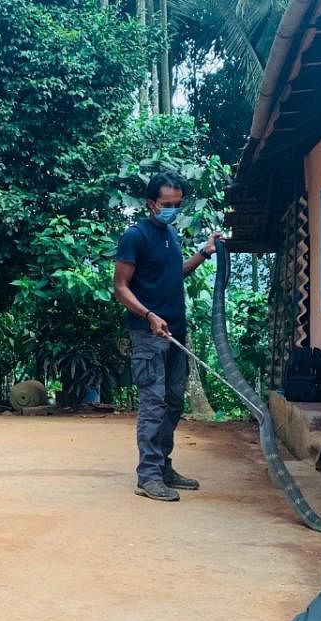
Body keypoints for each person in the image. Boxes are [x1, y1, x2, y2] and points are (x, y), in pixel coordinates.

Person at [113, 172, 220, 502]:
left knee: (174, 401)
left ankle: (163, 467)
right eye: (166, 204)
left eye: (177, 204)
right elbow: (120, 288)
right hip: (148, 335)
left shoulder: (171, 234)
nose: (172, 209)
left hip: (176, 333)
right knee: (153, 404)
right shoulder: (136, 236)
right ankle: (148, 475)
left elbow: (174, 274)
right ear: (150, 204)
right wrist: (148, 315)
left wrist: (203, 253)